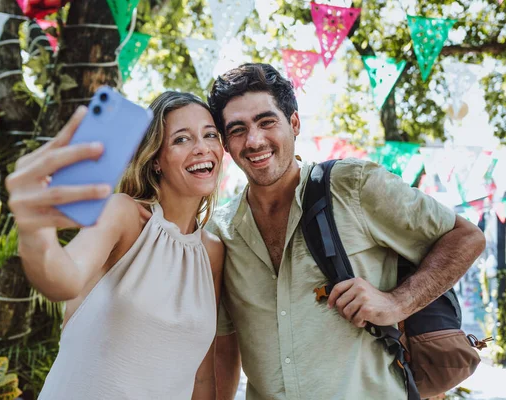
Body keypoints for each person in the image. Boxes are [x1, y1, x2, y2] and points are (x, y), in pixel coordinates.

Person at [206, 63, 486, 399]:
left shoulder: (352, 185)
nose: (254, 140)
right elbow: (223, 352)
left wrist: (398, 302)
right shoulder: (221, 232)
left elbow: (466, 236)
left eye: (266, 122)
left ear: (294, 123)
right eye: (237, 130)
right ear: (224, 142)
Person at [6, 91, 225, 399]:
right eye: (181, 139)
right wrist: (36, 230)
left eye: (210, 135)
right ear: (156, 160)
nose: (202, 148)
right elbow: (62, 279)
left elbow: (202, 375)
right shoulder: (123, 214)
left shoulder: (212, 252)